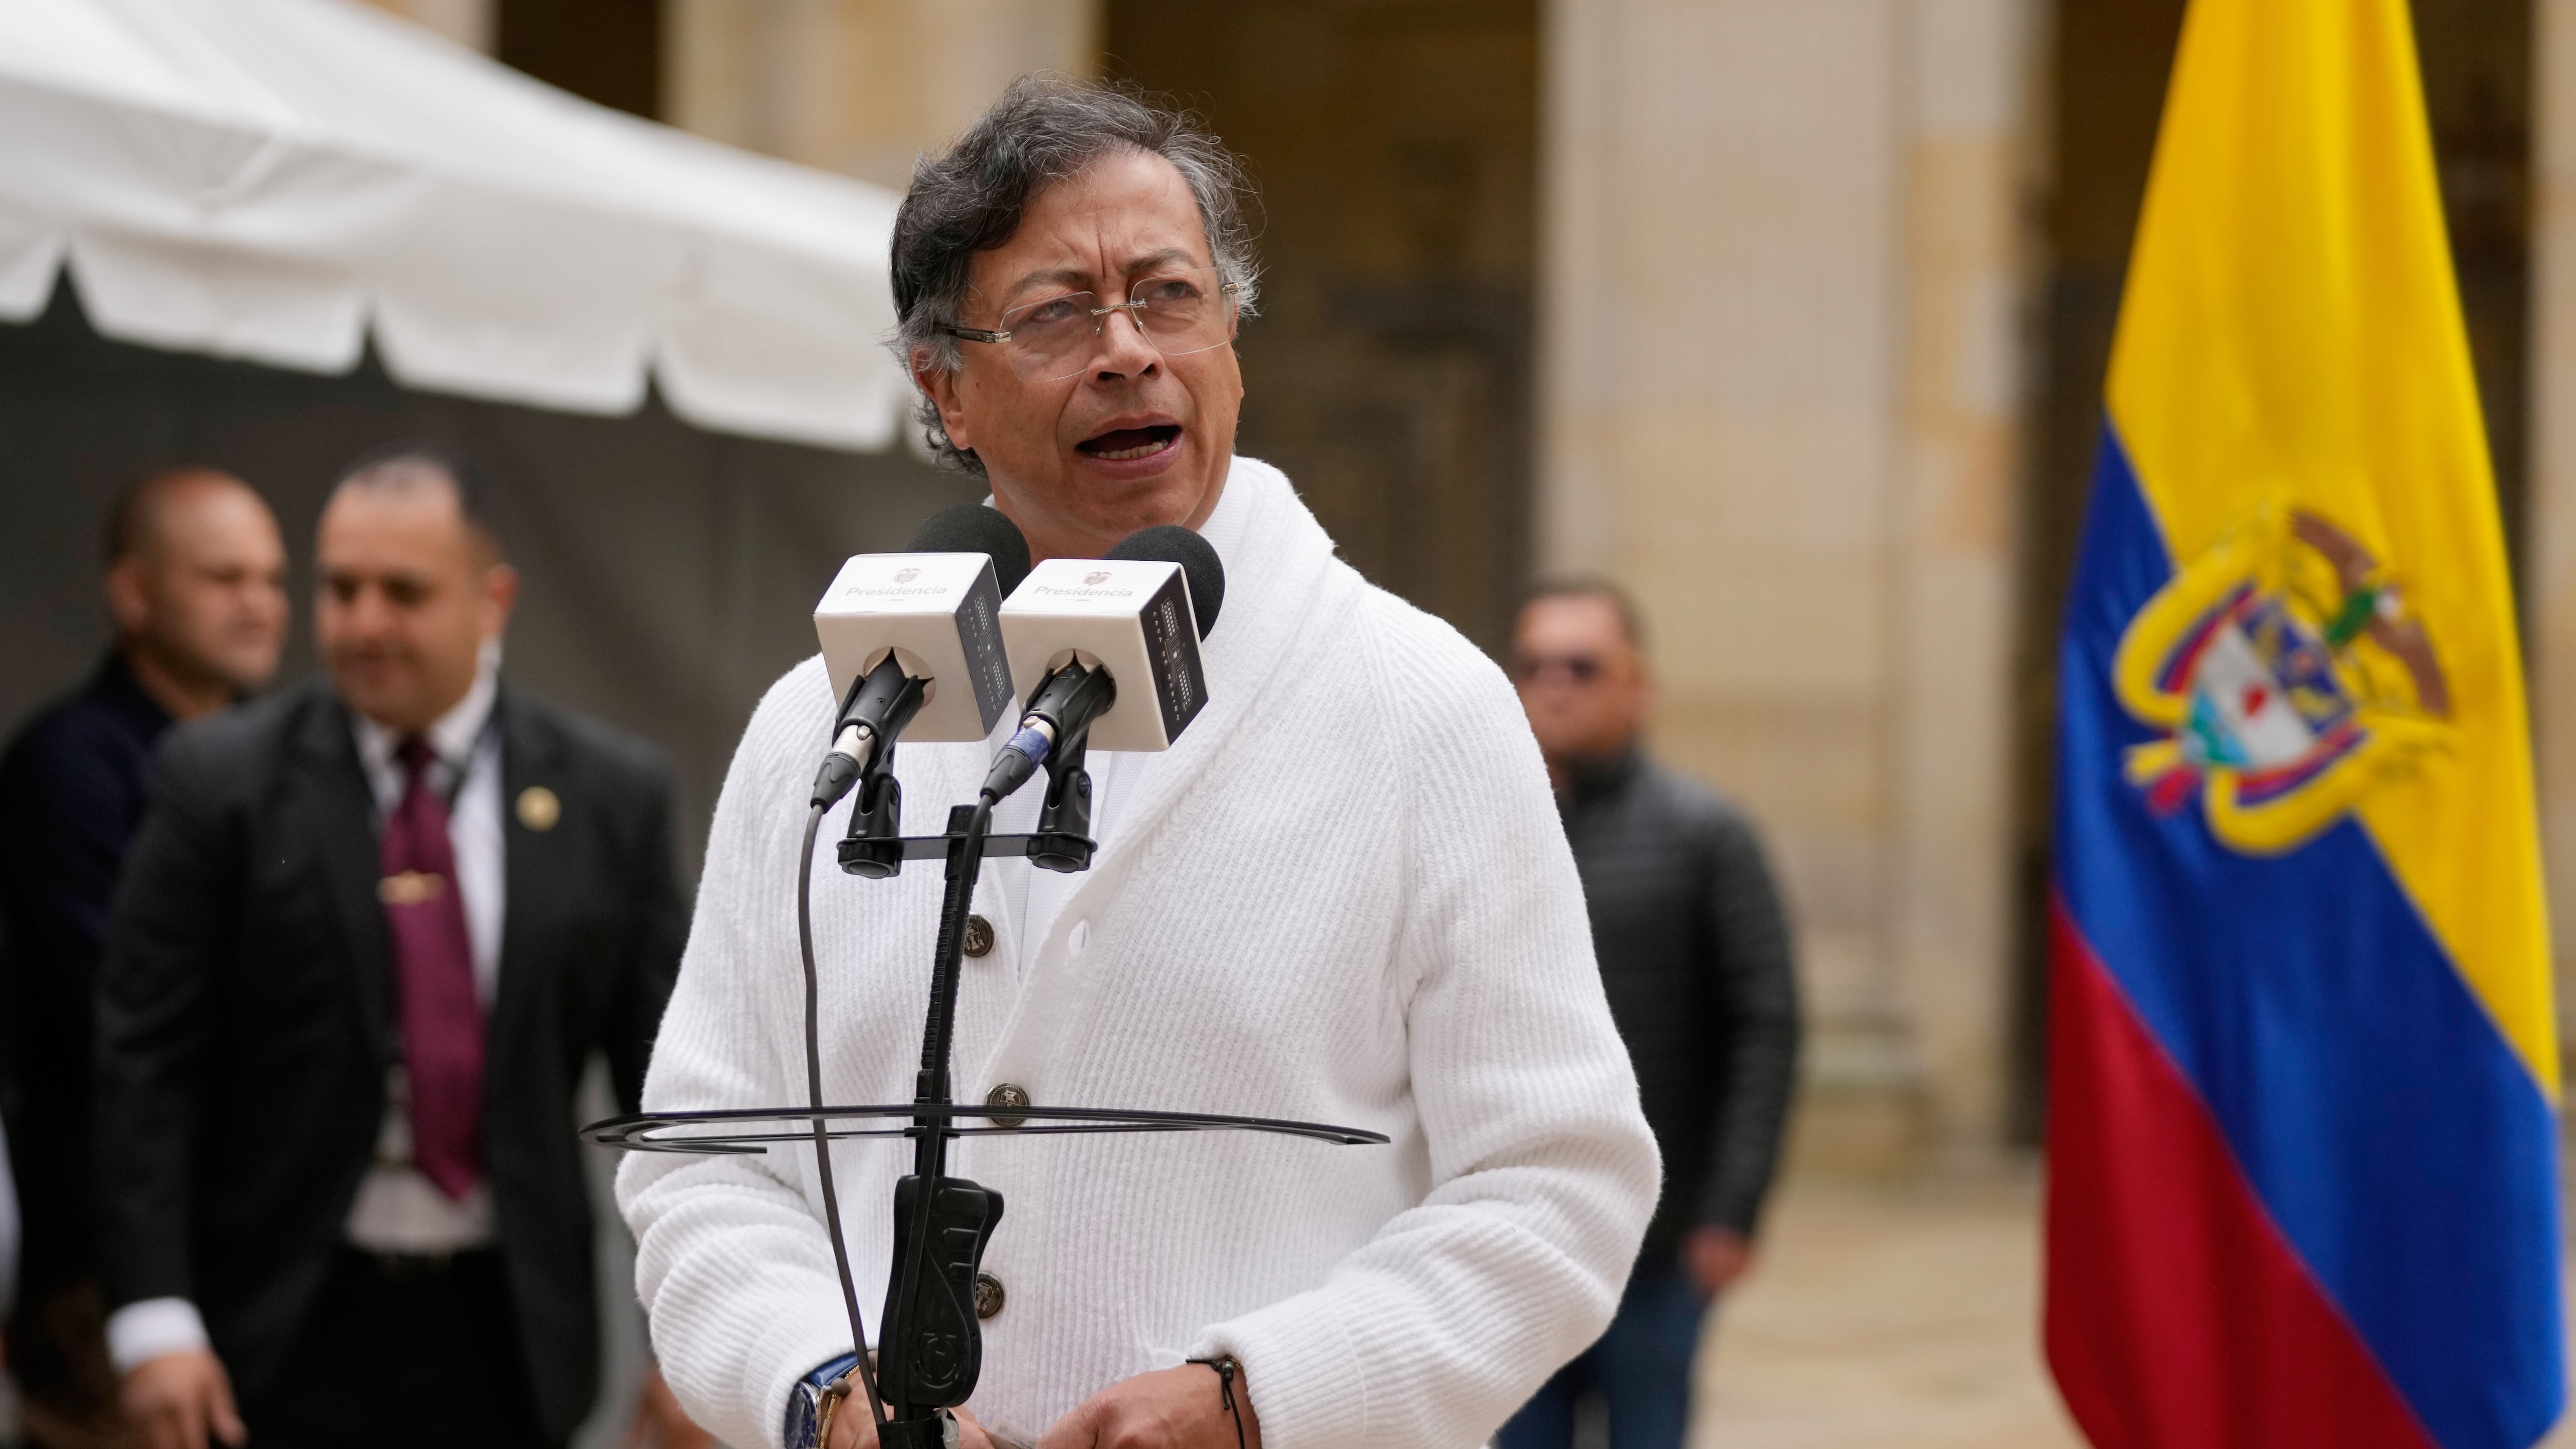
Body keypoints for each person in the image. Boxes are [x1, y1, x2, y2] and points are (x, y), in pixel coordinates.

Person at [620, 77, 1660, 1449]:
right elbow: (703, 1168)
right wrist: (821, 1387)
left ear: (1231, 340)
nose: (1126, 351)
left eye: (1169, 296)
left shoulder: (1427, 710)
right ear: (943, 388)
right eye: (1056, 314)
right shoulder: (819, 729)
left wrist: (1258, 1396)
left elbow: (1557, 1185)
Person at [91, 445, 696, 1449]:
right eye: (340, 588)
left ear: (492, 600)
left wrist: (689, 1334)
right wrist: (154, 1317)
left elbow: (666, 1088)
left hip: (508, 1331)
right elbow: (142, 1062)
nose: (363, 622)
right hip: (278, 1325)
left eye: (404, 592)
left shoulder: (608, 793)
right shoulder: (220, 780)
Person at [0, 466, 289, 1449]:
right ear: (133, 592)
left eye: (272, 579)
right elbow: (124, 1022)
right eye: (224, 577)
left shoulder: (283, 768)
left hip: (264, 1255)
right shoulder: (70, 768)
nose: (258, 604)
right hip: (112, 1269)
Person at [1498, 581, 1801, 1449]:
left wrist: (1732, 1210)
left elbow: (1764, 1025)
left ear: (1639, 685)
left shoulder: (1706, 835)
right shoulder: (1492, 830)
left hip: (1658, 1245)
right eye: (1535, 666)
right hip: (1514, 1238)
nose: (1555, 686)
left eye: (1583, 666)